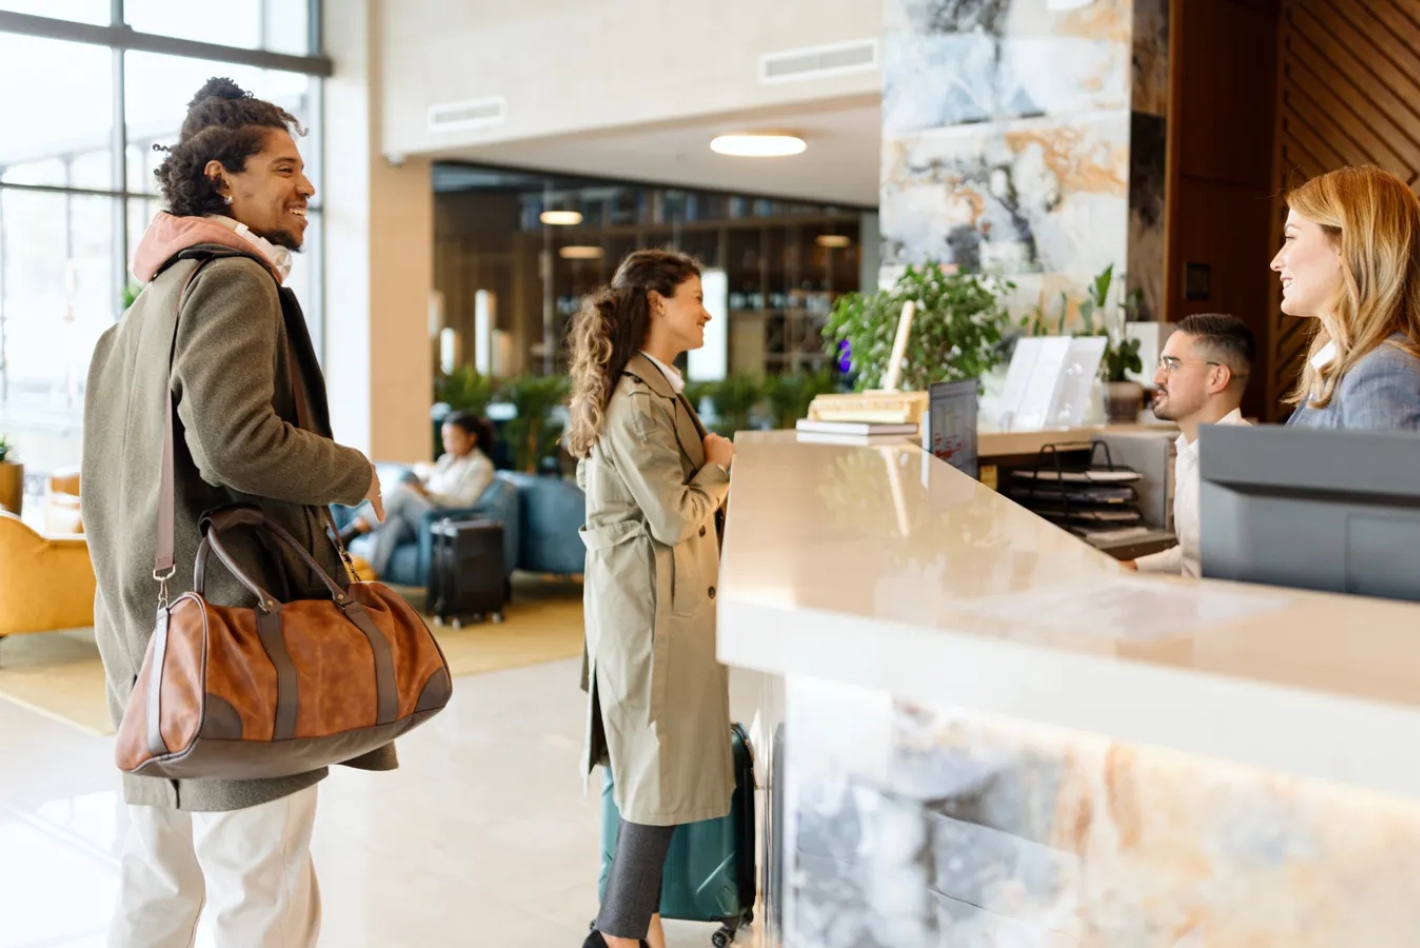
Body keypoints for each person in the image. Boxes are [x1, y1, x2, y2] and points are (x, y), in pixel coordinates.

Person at [81, 78, 387, 947]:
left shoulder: (143, 311)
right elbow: (235, 443)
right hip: (231, 646)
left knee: (155, 889)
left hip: (149, 652)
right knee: (263, 892)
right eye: (284, 169)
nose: (307, 186)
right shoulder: (235, 282)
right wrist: (353, 473)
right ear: (222, 179)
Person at [567, 250, 735, 948]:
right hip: (650, 614)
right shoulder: (639, 400)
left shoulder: (653, 386)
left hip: (650, 605)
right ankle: (618, 934)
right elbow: (671, 516)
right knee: (655, 773)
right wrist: (720, 467)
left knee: (645, 767)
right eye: (696, 296)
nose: (707, 312)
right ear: (659, 303)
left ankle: (634, 922)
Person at [1272, 165, 1420, 430]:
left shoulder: (1381, 371)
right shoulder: (1349, 365)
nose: (1276, 262)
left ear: (1345, 244)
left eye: (1291, 237)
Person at [1129, 313, 1255, 577]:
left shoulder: (1242, 464)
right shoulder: (1190, 450)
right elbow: (1196, 554)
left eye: (1172, 365)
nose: (1157, 377)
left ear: (1216, 378)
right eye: (1161, 364)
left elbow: (1235, 582)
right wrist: (1134, 567)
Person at [340, 410, 496, 577]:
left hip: (443, 519)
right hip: (422, 516)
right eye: (445, 438)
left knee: (403, 491)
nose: (448, 444)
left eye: (454, 439)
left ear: (471, 438)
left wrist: (427, 494)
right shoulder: (446, 460)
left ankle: (353, 531)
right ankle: (370, 576)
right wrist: (421, 485)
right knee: (392, 522)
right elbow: (434, 483)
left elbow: (466, 502)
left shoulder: (480, 466)